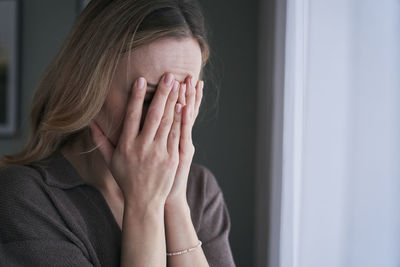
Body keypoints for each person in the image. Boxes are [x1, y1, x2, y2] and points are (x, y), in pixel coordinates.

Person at [0, 0, 235, 266]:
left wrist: (175, 203)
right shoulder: (25, 199)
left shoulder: (200, 191)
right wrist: (144, 204)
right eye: (148, 98)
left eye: (182, 98)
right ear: (88, 86)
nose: (168, 119)